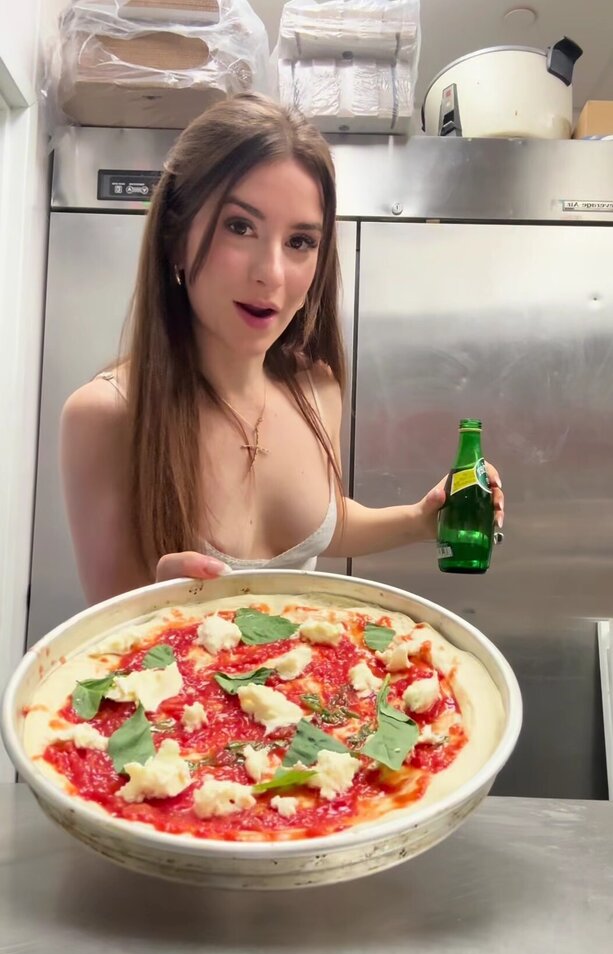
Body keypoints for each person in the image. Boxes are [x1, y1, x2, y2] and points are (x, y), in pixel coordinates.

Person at [60, 93, 504, 605]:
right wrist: (161, 603)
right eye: (240, 227)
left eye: (299, 242)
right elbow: (107, 634)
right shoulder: (108, 414)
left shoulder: (316, 387)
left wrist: (421, 519)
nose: (271, 273)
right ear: (176, 238)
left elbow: (325, 524)